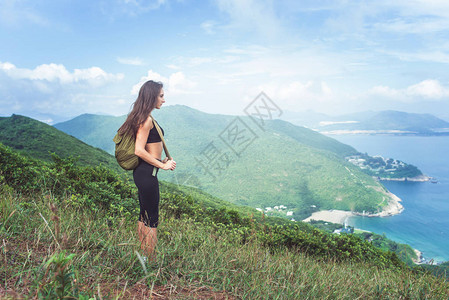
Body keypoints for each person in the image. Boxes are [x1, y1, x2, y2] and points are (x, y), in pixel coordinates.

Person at [117, 80, 176, 261]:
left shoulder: (141, 117)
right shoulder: (146, 120)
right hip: (147, 174)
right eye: (161, 96)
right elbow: (139, 150)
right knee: (152, 219)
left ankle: (141, 256)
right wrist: (162, 165)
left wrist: (160, 159)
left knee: (144, 215)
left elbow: (149, 149)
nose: (163, 100)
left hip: (143, 172)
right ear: (152, 96)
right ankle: (149, 262)